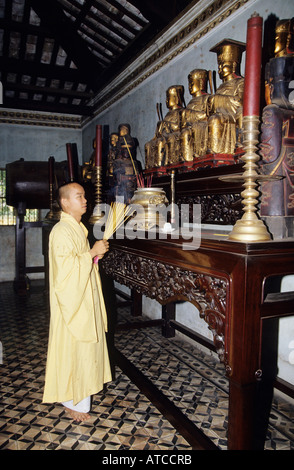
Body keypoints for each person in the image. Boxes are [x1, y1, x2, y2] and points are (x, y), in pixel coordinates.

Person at [43, 182, 112, 422]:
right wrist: (91, 253)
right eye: (79, 196)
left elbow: (79, 263)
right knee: (74, 349)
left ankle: (76, 400)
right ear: (64, 202)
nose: (85, 200)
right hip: (71, 304)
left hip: (82, 299)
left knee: (83, 351)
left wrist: (93, 257)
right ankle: (73, 403)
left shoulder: (76, 228)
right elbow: (65, 273)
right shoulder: (61, 230)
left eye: (84, 195)